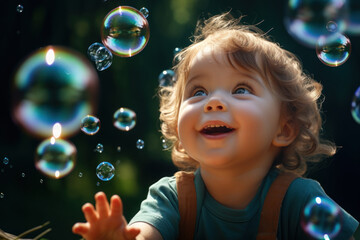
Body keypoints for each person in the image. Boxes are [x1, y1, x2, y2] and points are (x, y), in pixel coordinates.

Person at [72, 12, 359, 239]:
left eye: (241, 89)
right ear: (179, 129)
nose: (213, 102)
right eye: (198, 92)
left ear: (283, 129)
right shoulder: (172, 198)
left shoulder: (299, 201)